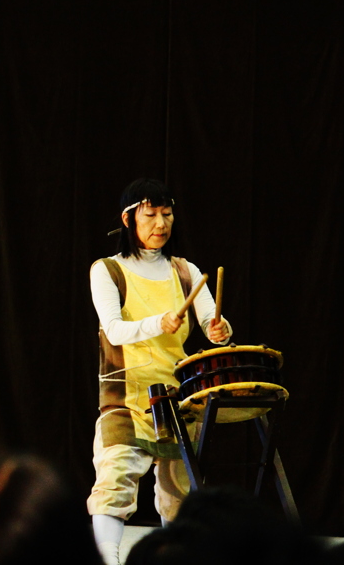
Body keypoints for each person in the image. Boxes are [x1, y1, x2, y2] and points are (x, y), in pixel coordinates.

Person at [88, 178, 232, 565]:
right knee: (114, 479)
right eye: (150, 215)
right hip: (125, 393)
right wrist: (158, 322)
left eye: (166, 214)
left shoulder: (185, 271)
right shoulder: (108, 271)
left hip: (175, 394)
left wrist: (220, 330)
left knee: (179, 492)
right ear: (128, 218)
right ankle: (108, 559)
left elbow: (210, 321)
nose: (160, 224)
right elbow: (114, 330)